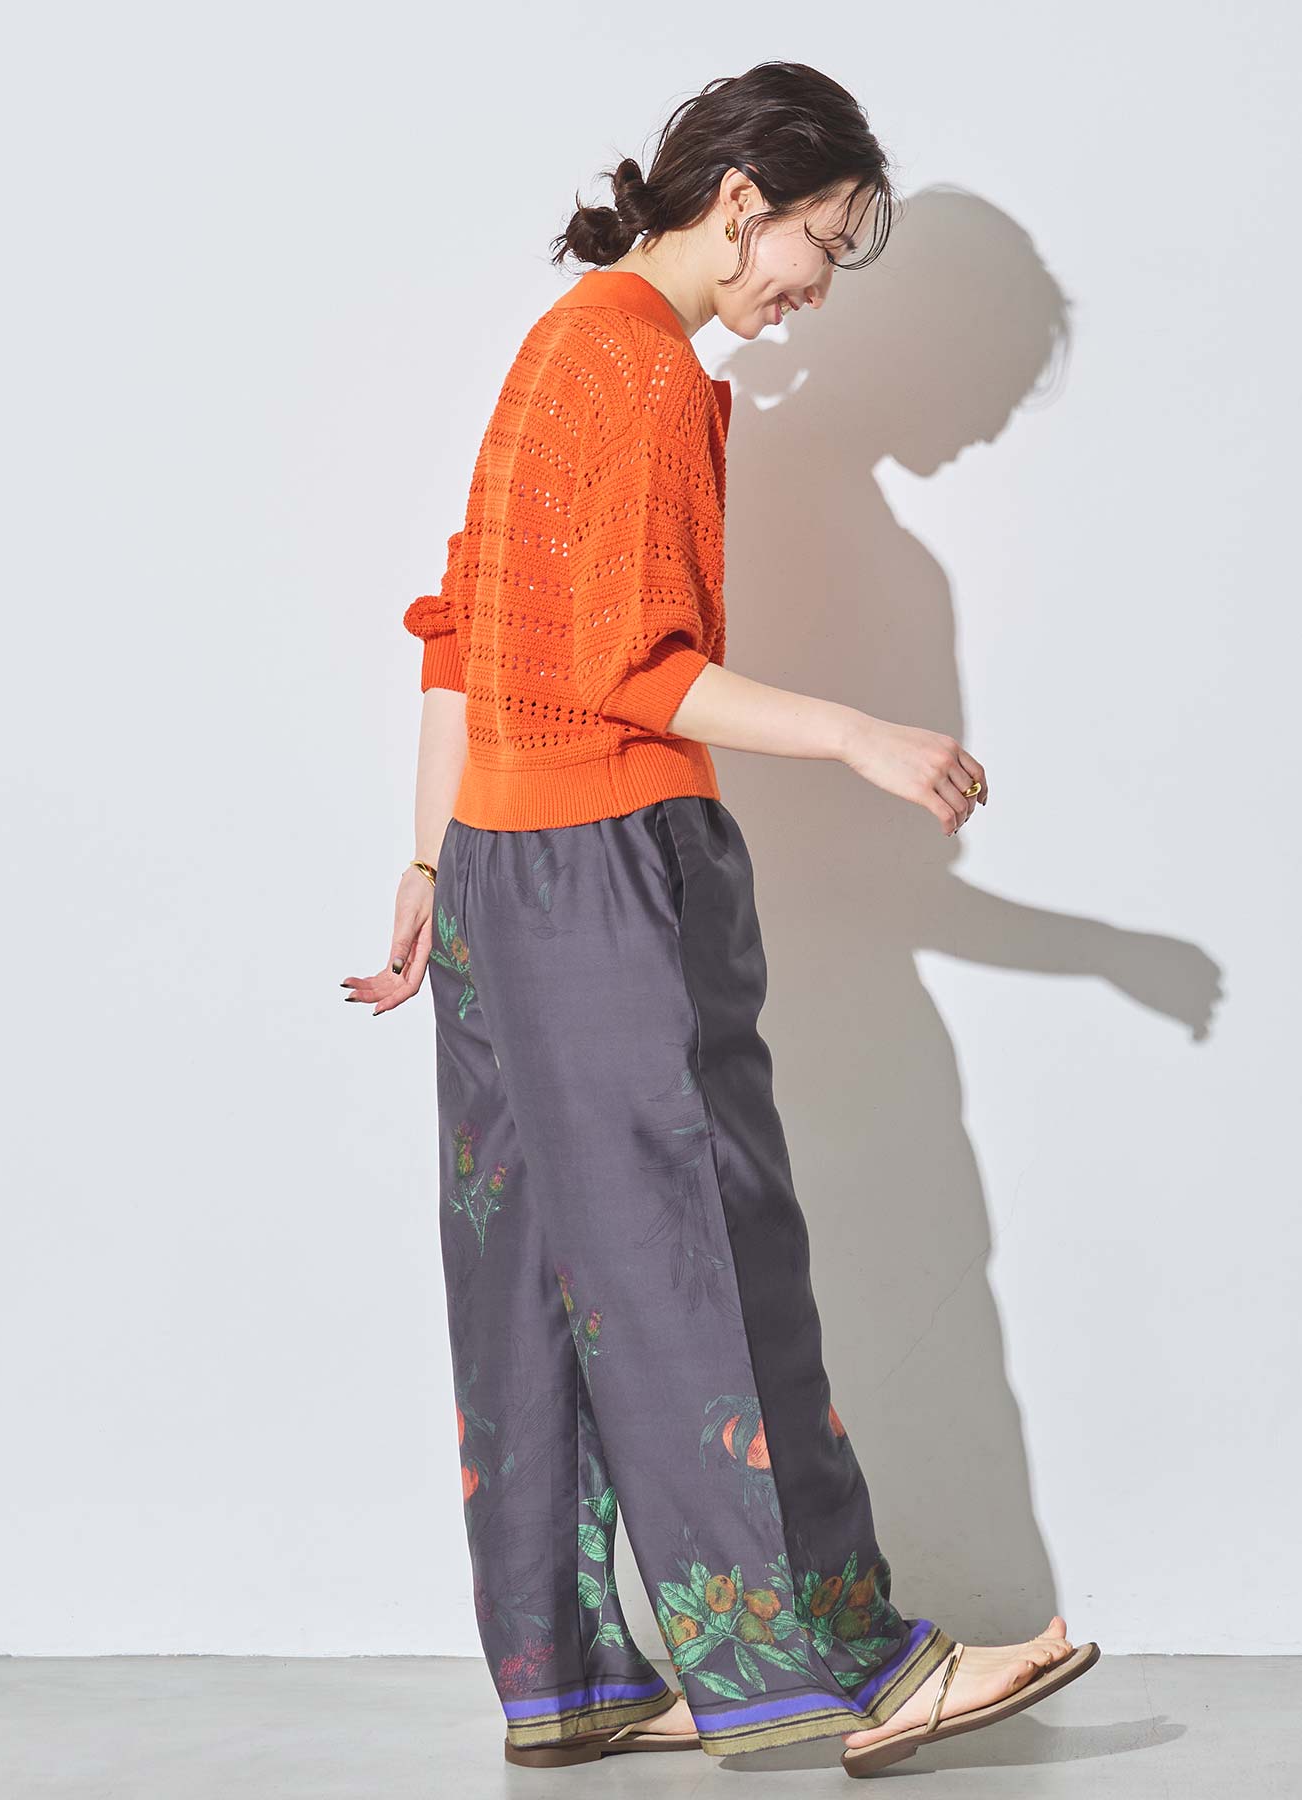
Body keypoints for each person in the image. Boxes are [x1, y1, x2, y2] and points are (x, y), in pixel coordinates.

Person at [342, 60, 1098, 1777]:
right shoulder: (647, 368)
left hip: (496, 881)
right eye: (825, 242)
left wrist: (429, 866)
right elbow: (633, 669)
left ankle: (571, 1677)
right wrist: (859, 735)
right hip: (614, 869)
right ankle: (860, 1671)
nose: (817, 289)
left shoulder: (555, 348)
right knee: (709, 1257)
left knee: (537, 1277)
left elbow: (465, 627)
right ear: (744, 202)